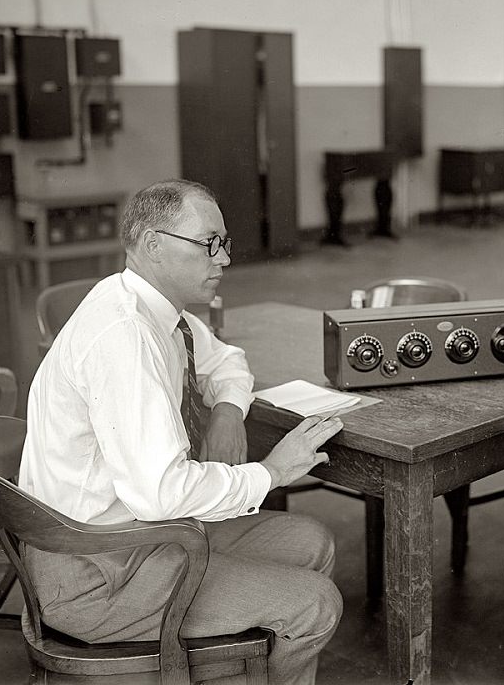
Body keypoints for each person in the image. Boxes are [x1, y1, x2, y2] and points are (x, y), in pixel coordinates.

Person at [19, 179, 343, 685]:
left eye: (224, 243)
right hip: (96, 573)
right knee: (314, 604)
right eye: (208, 243)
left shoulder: (154, 309)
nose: (224, 259)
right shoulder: (124, 336)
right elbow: (162, 492)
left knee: (310, 541)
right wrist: (270, 473)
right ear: (153, 245)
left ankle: (231, 667)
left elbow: (227, 361)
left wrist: (228, 413)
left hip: (138, 538)